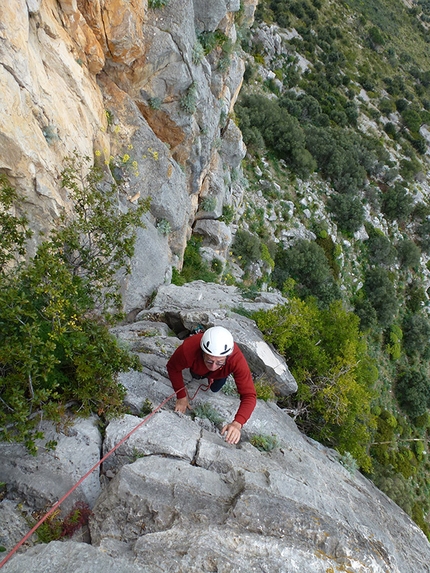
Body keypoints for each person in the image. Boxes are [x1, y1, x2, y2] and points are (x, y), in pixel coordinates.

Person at [166, 326, 257, 445]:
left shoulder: (236, 360)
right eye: (209, 360)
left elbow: (249, 395)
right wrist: (181, 396)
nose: (213, 366)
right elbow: (172, 367)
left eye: (219, 361)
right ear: (203, 352)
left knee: (215, 388)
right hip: (198, 368)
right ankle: (209, 368)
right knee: (196, 375)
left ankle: (218, 374)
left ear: (227, 357)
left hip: (221, 373)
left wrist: (237, 423)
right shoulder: (189, 348)